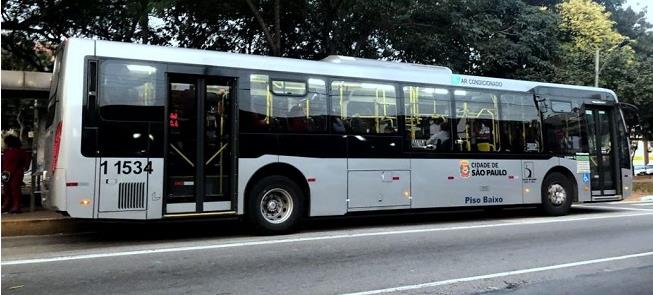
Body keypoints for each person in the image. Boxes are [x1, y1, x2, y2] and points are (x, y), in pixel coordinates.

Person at [2, 135, 30, 213]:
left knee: (15, 189)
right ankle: (8, 205)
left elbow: (26, 160)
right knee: (6, 189)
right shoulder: (6, 151)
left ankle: (16, 205)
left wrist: (25, 168)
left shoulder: (19, 152)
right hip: (6, 173)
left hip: (15, 173)